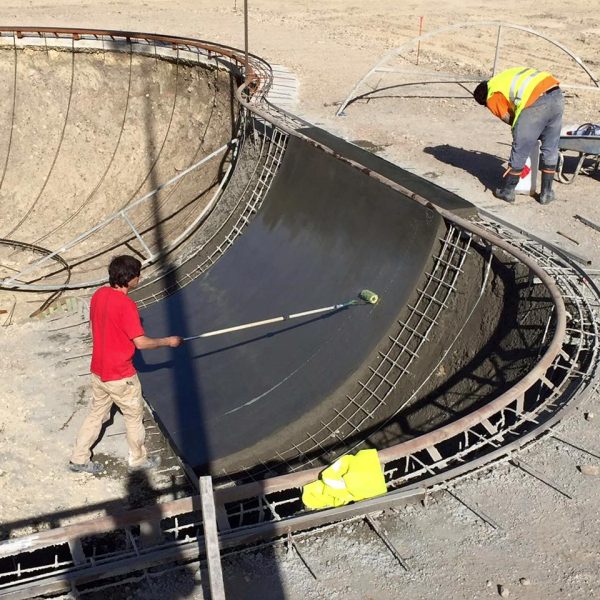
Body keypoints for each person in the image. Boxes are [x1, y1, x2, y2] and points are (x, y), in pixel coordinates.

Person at [69, 255, 183, 475]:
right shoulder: (126, 305)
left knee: (95, 414)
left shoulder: (99, 294)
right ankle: (138, 460)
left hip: (99, 371)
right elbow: (141, 343)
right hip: (121, 375)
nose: (140, 278)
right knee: (133, 416)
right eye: (138, 274)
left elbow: (97, 327)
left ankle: (79, 458)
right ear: (130, 278)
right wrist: (169, 341)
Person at [473, 67, 564, 204]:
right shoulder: (501, 79)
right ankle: (546, 193)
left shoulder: (491, 96)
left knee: (520, 147)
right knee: (550, 147)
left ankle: (508, 192)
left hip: (536, 102)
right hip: (556, 94)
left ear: (484, 101)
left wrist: (525, 130)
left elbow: (509, 119)